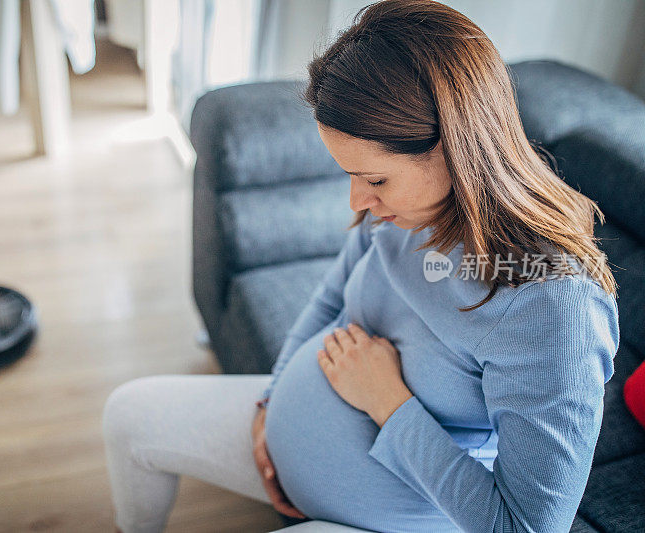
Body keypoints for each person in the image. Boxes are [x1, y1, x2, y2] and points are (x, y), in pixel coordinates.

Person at [101, 0, 620, 531]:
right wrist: (270, 402)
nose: (357, 202)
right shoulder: (401, 214)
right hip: (286, 439)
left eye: (374, 180)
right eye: (349, 175)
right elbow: (330, 297)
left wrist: (388, 403)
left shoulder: (552, 310)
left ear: (457, 149)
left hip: (391, 519)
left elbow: (525, 526)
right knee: (128, 414)